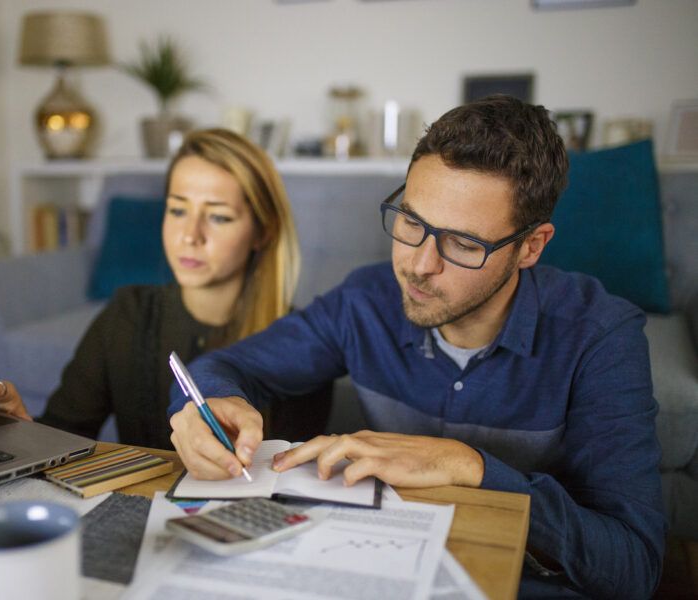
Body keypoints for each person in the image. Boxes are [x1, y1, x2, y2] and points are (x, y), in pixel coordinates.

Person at [167, 97, 665, 598]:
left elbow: (634, 565)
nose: (419, 265)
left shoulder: (601, 335)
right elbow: (227, 366)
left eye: (464, 244)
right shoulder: (364, 301)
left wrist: (471, 466)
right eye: (411, 222)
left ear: (531, 247)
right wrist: (206, 405)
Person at [0, 128, 331, 449]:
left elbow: (286, 479)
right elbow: (63, 436)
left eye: (218, 216)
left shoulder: (302, 343)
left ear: (263, 232)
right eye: (178, 209)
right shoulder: (127, 313)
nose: (189, 236)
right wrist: (16, 424)